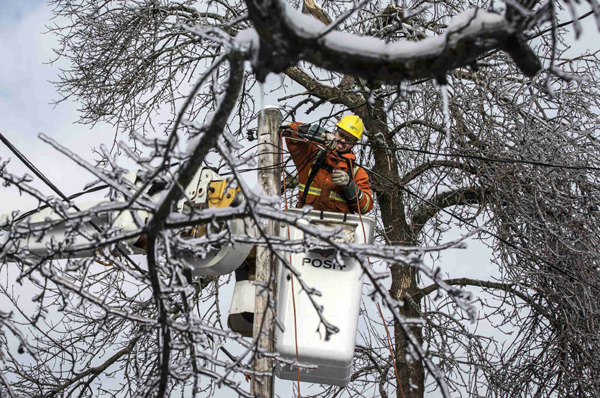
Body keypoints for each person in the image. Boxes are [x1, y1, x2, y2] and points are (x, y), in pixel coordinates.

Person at [283, 114, 373, 215]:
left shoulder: (356, 172)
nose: (342, 141)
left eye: (349, 139)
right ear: (335, 131)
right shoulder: (312, 154)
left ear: (355, 143)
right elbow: (290, 130)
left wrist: (349, 185)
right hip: (305, 223)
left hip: (338, 227)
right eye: (341, 135)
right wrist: (322, 134)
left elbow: (366, 207)